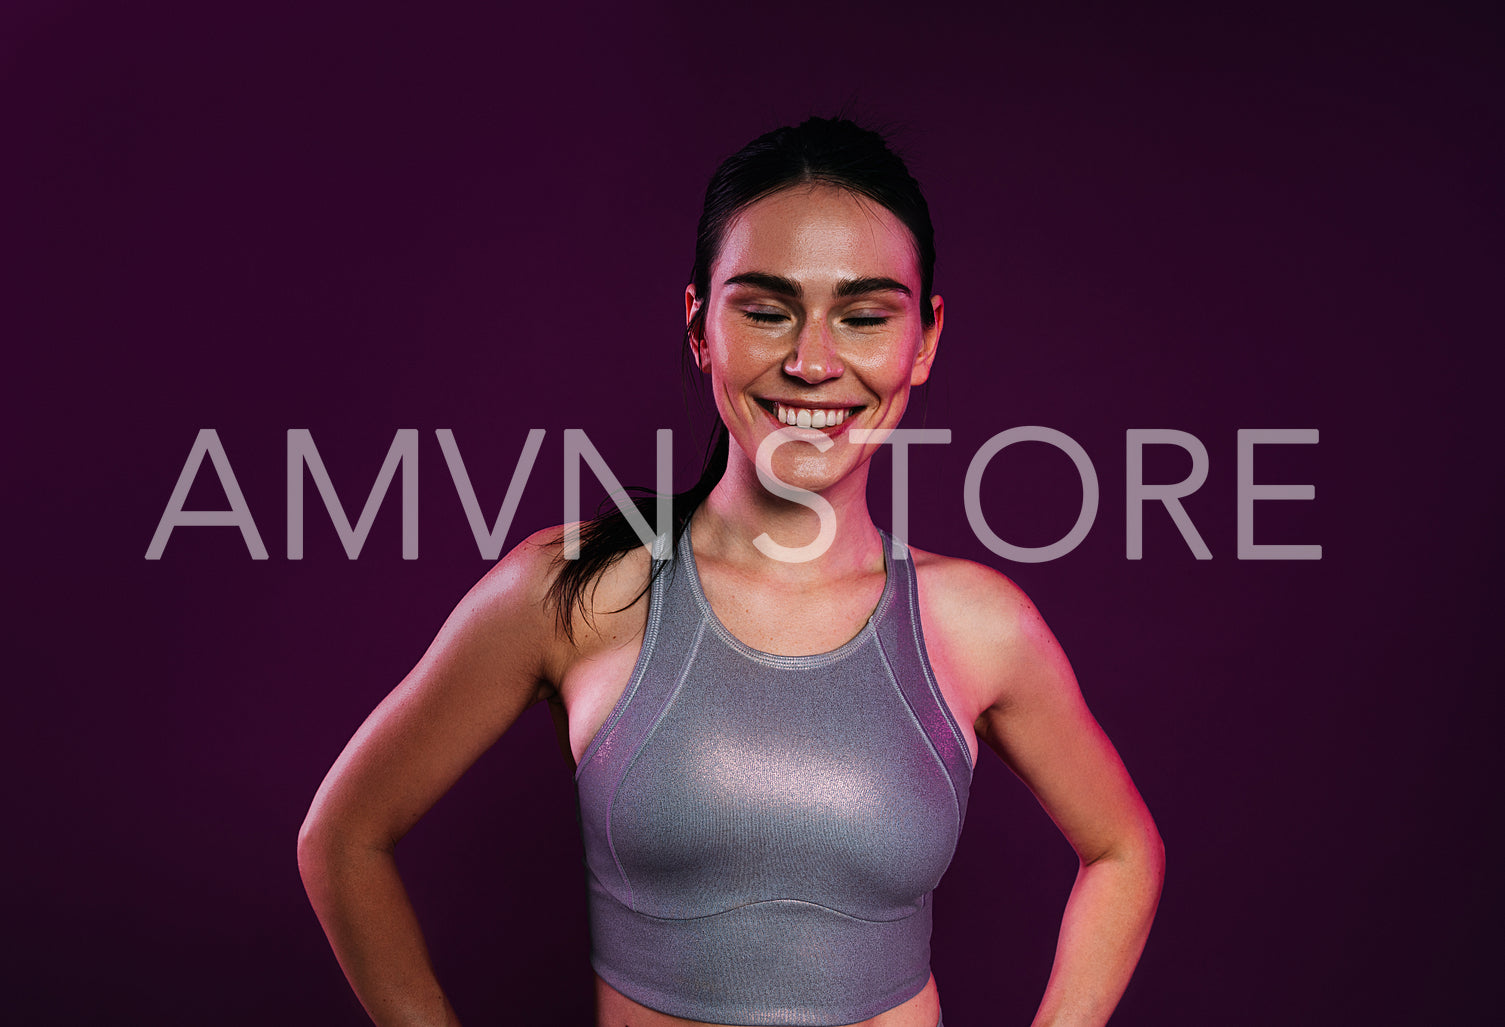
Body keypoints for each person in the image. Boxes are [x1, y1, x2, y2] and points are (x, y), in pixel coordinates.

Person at [298, 116, 1164, 1027]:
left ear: (924, 339)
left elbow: (1120, 849)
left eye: (864, 315)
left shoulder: (978, 624)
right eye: (763, 309)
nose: (812, 361)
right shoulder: (580, 591)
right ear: (698, 325)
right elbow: (343, 837)